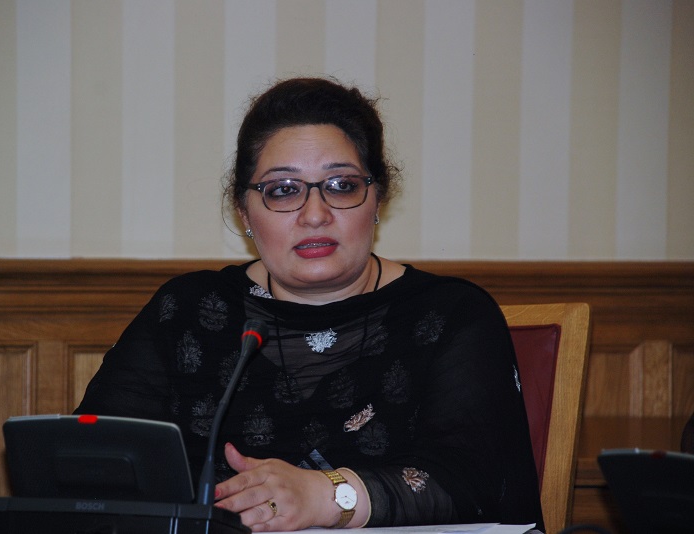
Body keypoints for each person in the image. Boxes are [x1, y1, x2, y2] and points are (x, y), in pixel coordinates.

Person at [75, 77, 545, 532]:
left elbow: (475, 484)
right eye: (283, 190)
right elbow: (89, 463)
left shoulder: (450, 314)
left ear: (377, 199)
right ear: (244, 213)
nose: (315, 215)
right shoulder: (187, 312)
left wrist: (324, 495)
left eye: (341, 185)